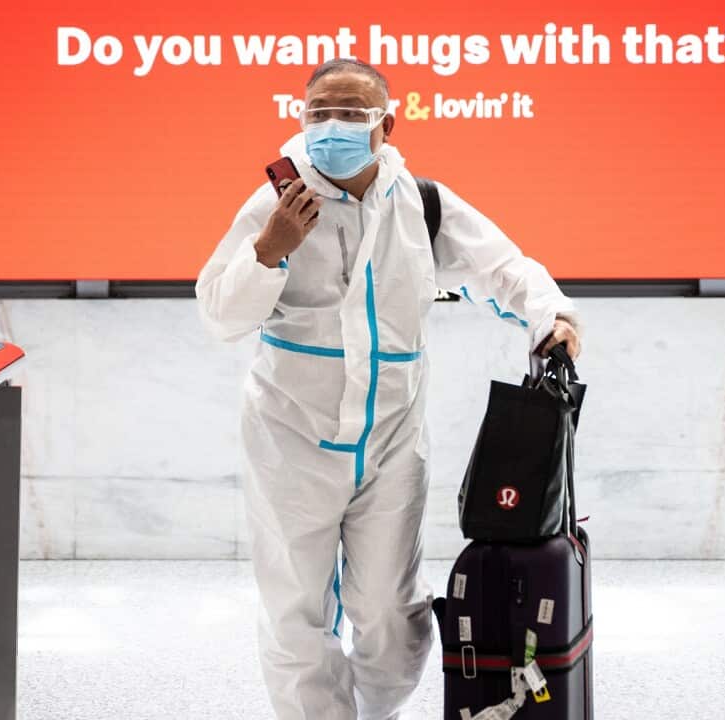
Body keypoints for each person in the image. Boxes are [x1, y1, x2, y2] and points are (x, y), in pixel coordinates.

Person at [195, 57, 582, 720]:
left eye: (350, 112)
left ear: (386, 124)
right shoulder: (276, 204)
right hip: (291, 437)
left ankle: (379, 712)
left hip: (393, 441)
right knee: (295, 611)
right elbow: (221, 315)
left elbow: (504, 268)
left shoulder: (422, 203)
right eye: (319, 113)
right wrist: (270, 248)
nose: (332, 126)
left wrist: (554, 317)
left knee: (391, 614)